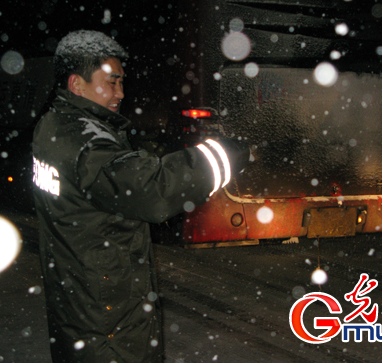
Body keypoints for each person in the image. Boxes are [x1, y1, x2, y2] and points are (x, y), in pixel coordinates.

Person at [32, 30, 249, 362]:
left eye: (121, 82)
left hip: (75, 301)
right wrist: (229, 154)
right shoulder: (87, 143)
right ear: (77, 84)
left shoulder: (52, 125)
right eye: (112, 82)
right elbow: (155, 191)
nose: (120, 93)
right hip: (107, 321)